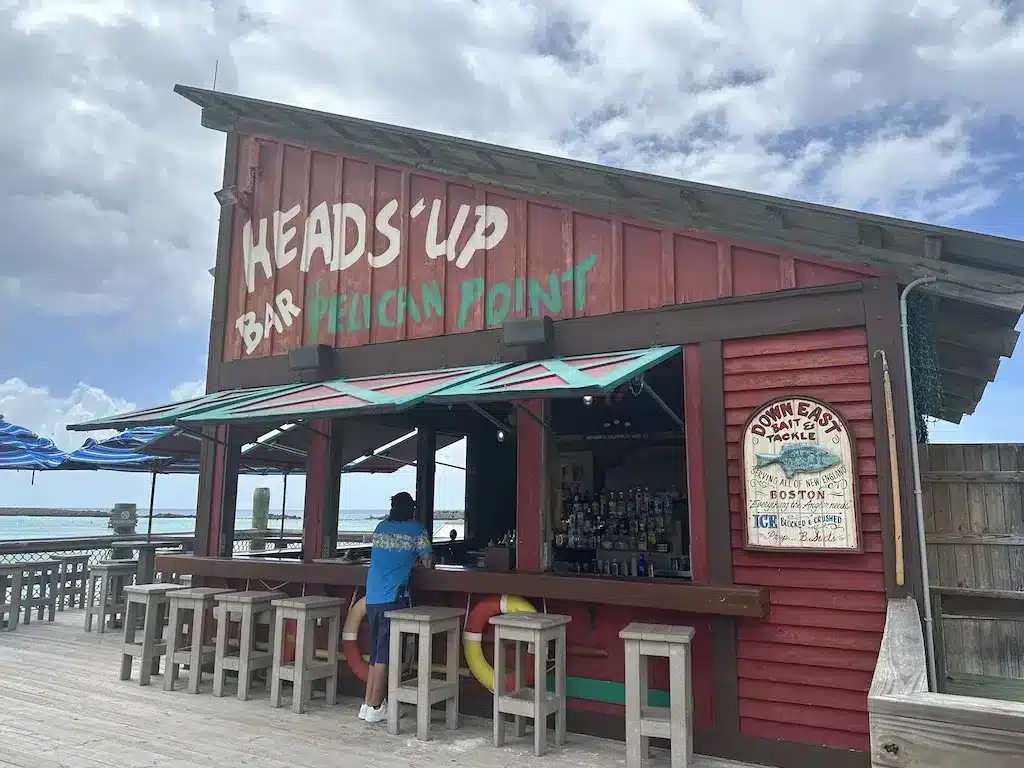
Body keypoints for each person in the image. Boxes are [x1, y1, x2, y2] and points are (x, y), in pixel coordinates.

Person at [359, 491, 433, 723]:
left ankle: (367, 704)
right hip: (393, 598)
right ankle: (376, 706)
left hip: (372, 596)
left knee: (376, 651)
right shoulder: (415, 529)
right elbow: (429, 562)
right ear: (411, 508)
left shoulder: (380, 527)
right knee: (385, 654)